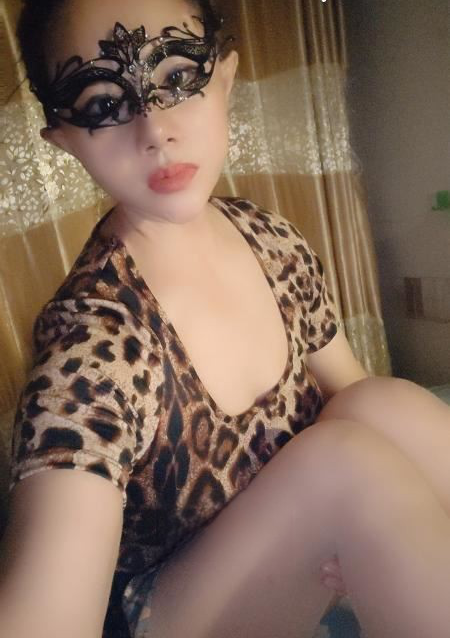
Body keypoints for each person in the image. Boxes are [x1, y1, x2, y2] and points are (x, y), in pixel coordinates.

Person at [1, 0, 449, 637]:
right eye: (102, 104)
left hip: (293, 562)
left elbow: (357, 402)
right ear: (64, 141)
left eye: (178, 76)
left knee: (379, 404)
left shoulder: (272, 240)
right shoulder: (93, 343)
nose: (155, 130)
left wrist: (360, 531)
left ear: (225, 80)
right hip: (165, 613)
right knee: (345, 465)